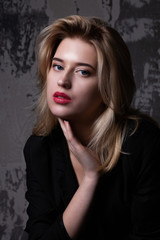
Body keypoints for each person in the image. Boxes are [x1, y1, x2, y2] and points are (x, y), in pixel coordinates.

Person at [23, 15, 160, 240]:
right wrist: (90, 179)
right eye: (57, 66)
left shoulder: (142, 142)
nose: (63, 81)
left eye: (83, 71)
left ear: (108, 86)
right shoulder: (39, 149)